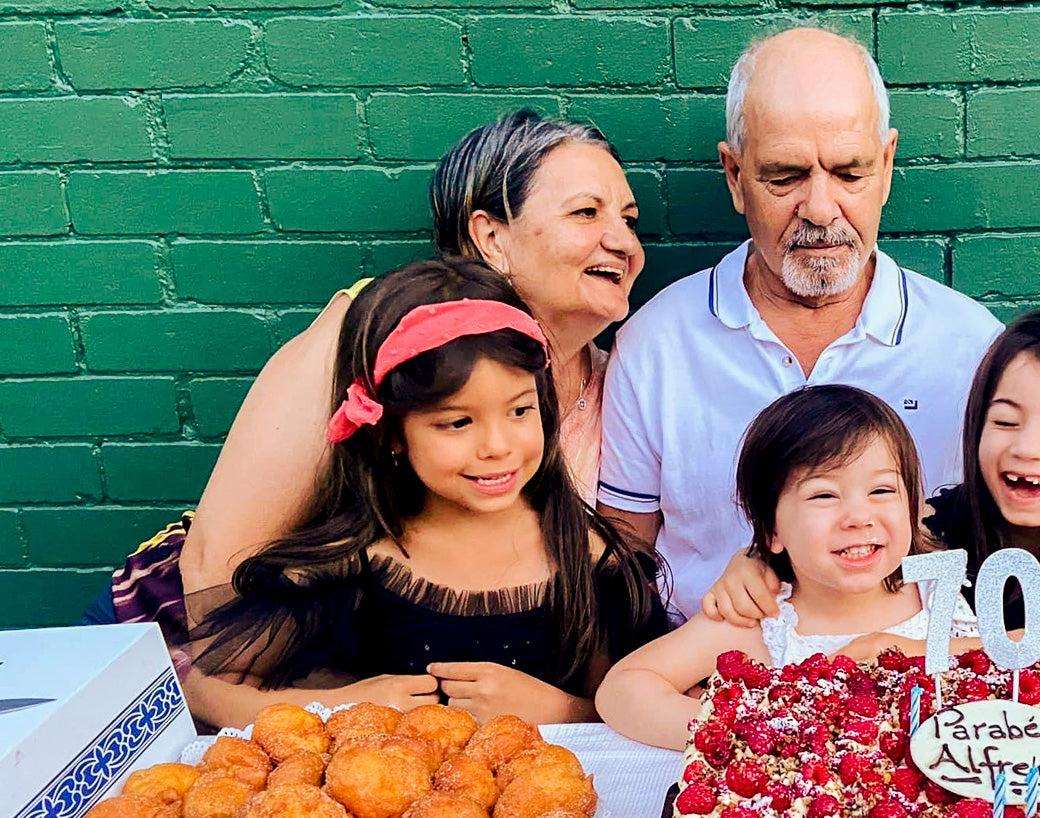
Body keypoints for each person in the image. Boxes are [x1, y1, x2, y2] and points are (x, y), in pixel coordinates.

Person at [94, 109, 644, 665]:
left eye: (630, 219)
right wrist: (237, 705)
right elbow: (220, 566)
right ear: (491, 236)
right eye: (586, 213)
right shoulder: (371, 331)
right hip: (177, 649)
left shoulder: (620, 381)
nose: (623, 241)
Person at [597, 26, 1002, 622]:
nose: (819, 208)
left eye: (850, 173)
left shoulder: (971, 347)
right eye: (784, 176)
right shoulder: (658, 344)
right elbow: (622, 560)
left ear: (887, 167)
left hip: (906, 693)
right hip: (706, 681)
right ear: (734, 176)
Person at [186, 258, 664, 729]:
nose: (497, 447)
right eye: (457, 422)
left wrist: (560, 711)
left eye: (519, 411)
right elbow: (205, 690)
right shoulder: (353, 564)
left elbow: (641, 709)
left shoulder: (592, 563)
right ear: (392, 433)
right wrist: (342, 708)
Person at [704, 309, 1040, 676]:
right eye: (1006, 421)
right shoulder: (941, 518)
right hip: (998, 731)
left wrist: (899, 651)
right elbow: (859, 531)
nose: (1029, 449)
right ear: (975, 426)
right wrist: (754, 560)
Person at [596, 386, 978, 750]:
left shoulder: (937, 590)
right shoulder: (760, 620)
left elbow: (1018, 660)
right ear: (771, 530)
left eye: (882, 491)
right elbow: (624, 689)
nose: (859, 517)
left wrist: (911, 651)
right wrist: (750, 729)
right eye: (824, 495)